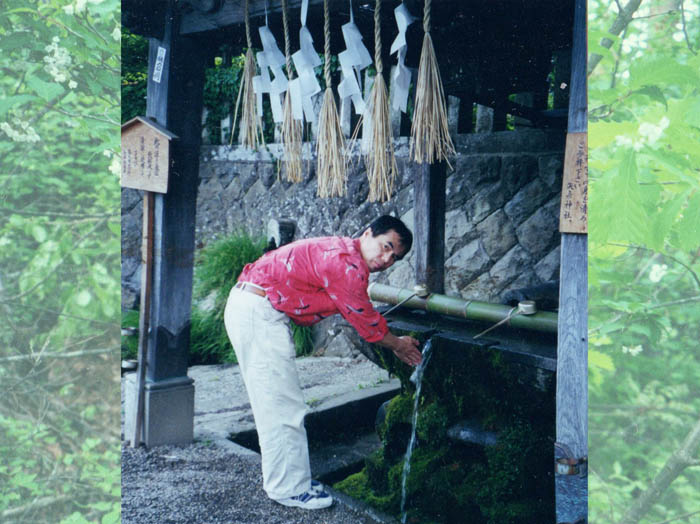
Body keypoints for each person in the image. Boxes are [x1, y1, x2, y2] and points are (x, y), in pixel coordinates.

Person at [224, 215, 422, 510]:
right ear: (367, 233)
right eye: (385, 247)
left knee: (279, 404)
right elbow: (366, 322)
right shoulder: (348, 265)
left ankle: (294, 480)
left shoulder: (342, 251)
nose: (386, 259)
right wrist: (398, 344)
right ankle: (288, 488)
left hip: (255, 306)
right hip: (258, 312)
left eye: (394, 257)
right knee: (281, 407)